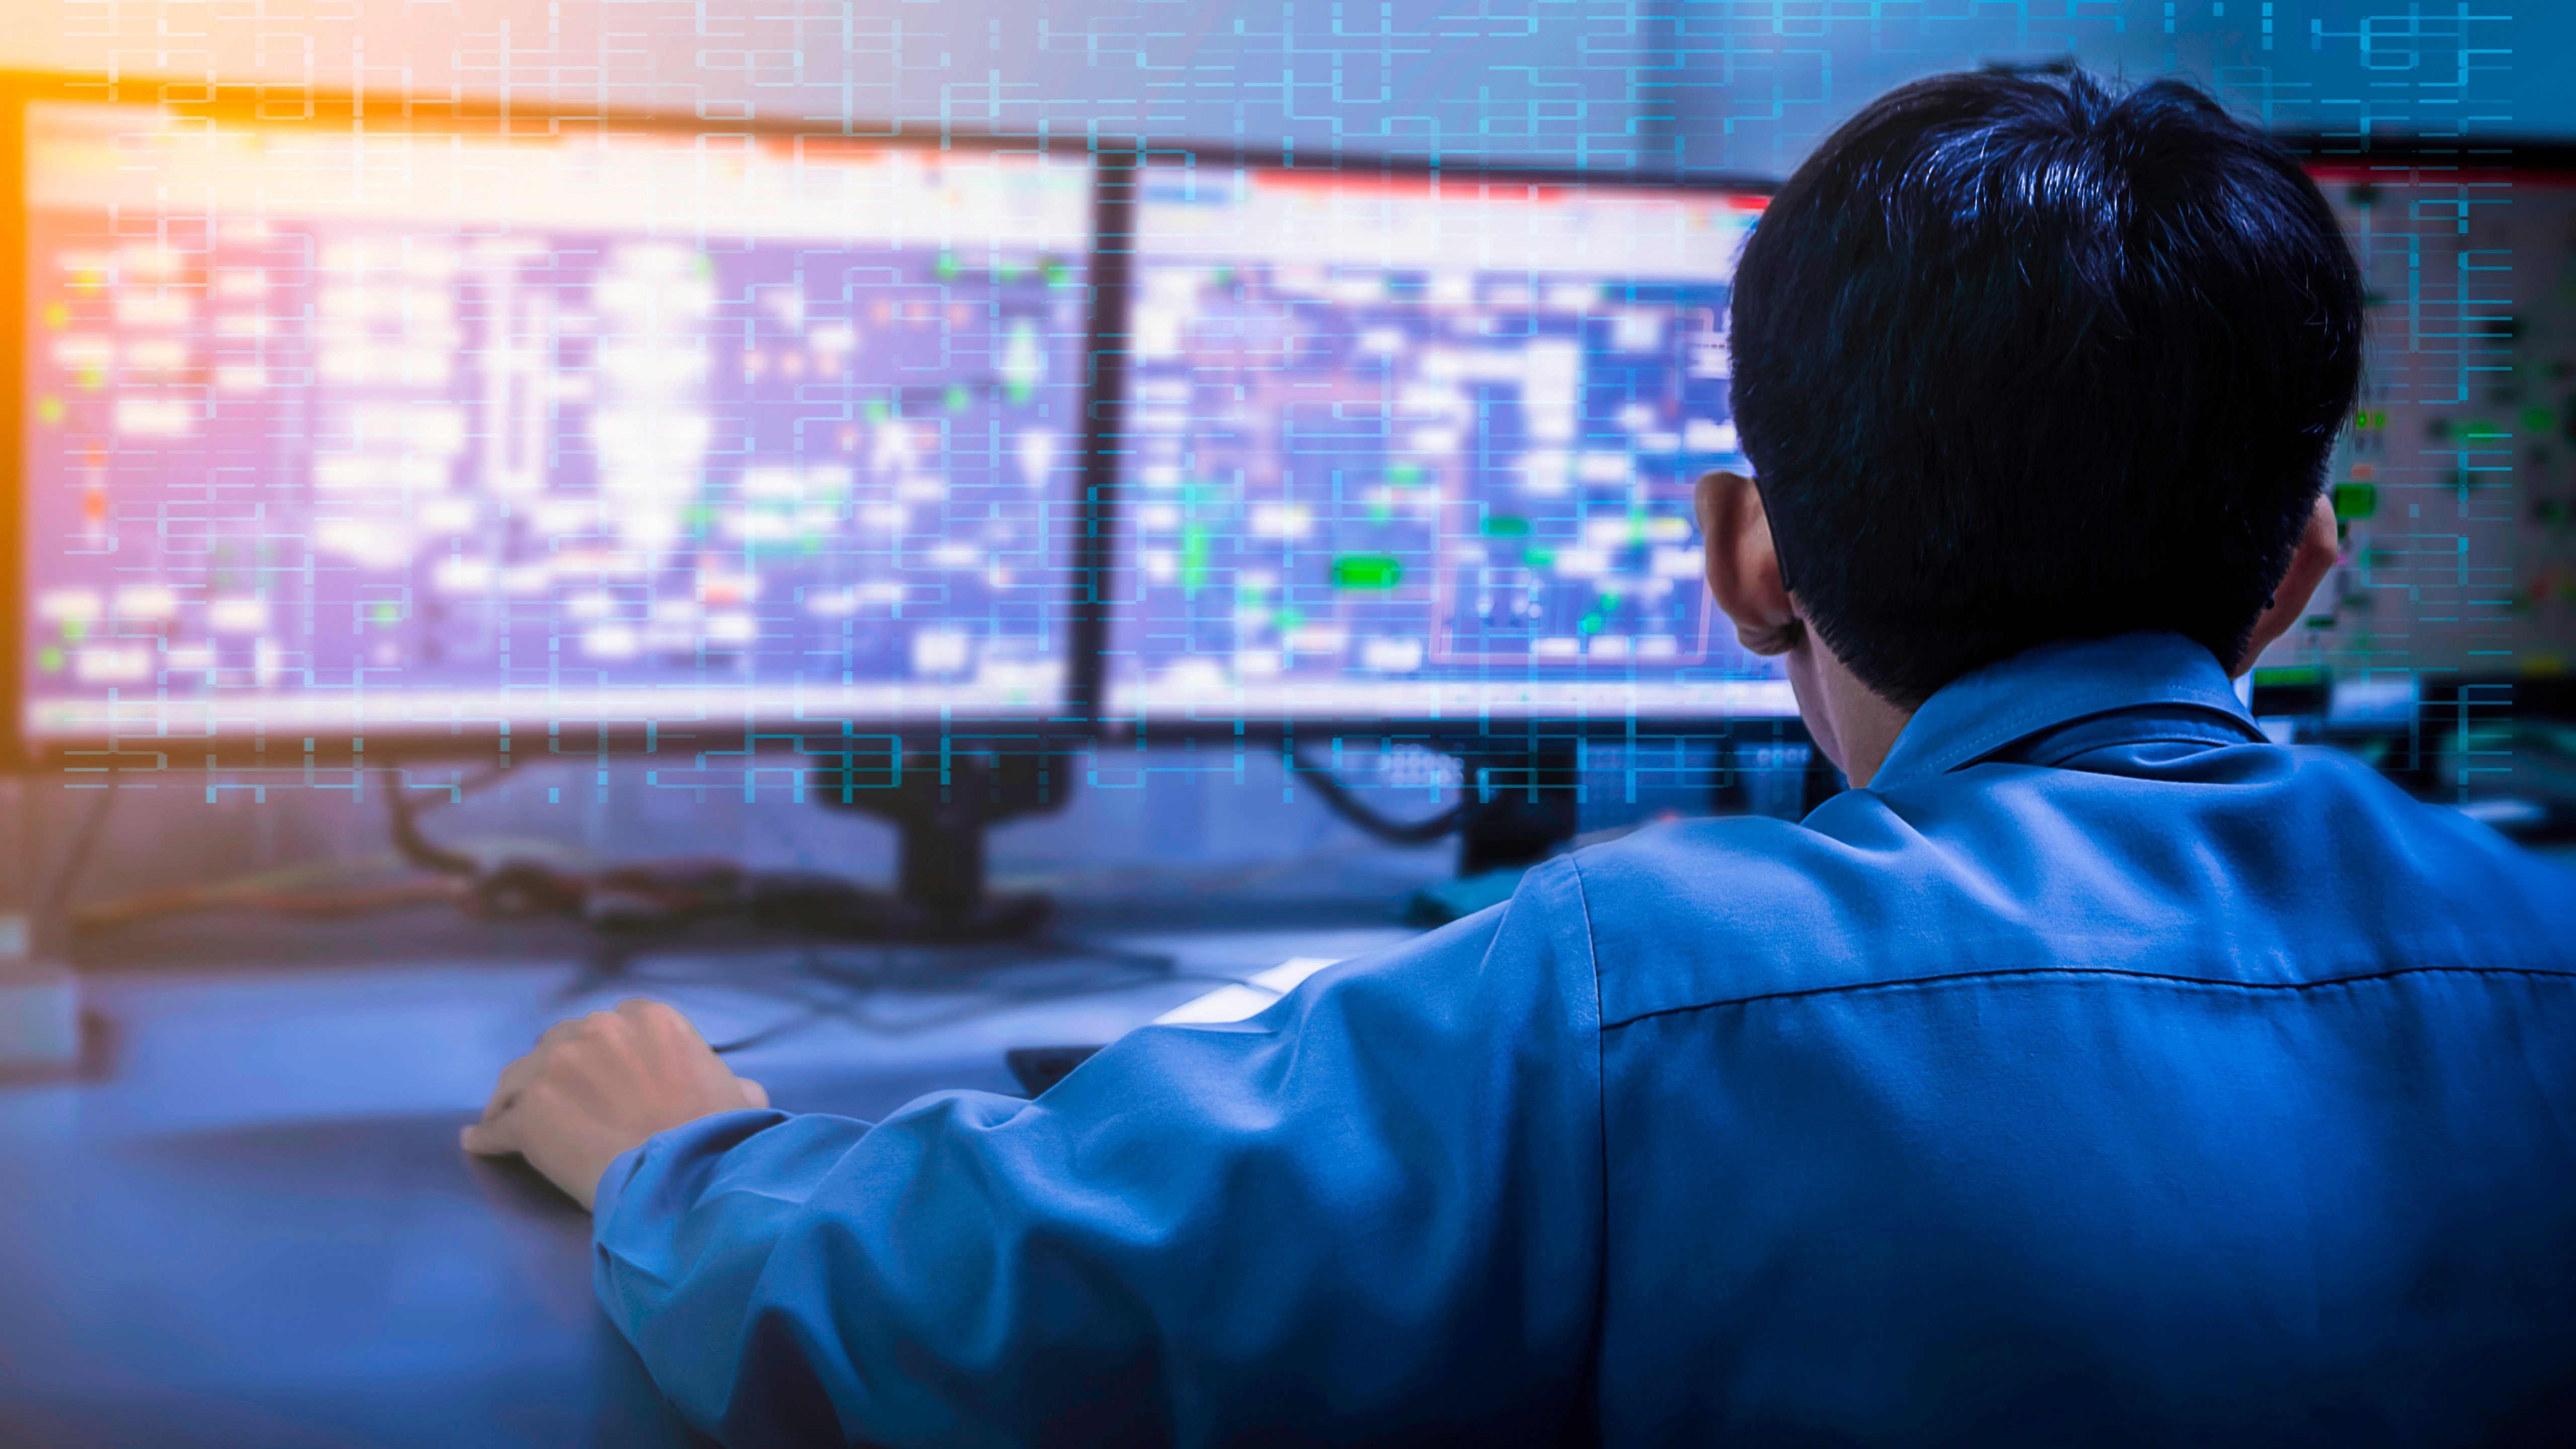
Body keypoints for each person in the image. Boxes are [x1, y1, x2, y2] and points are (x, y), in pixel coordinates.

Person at [464, 68, 2576, 1444]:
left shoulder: (1637, 989)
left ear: (1742, 557)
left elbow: (926, 1322)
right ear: (2300, 573)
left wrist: (680, 1149)